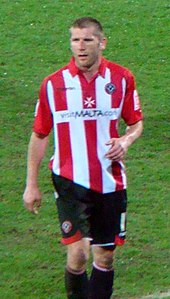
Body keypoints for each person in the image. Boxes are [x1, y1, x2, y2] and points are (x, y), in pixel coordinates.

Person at [23, 17, 143, 299]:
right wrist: (31, 184)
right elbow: (39, 135)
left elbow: (136, 122)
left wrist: (125, 140)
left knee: (104, 258)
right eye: (75, 40)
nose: (81, 47)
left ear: (102, 43)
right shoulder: (53, 84)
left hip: (109, 181)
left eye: (87, 40)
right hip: (68, 180)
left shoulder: (121, 79)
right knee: (77, 254)